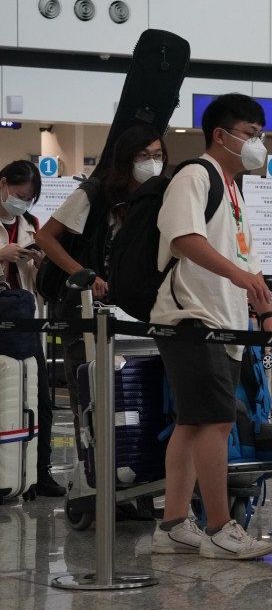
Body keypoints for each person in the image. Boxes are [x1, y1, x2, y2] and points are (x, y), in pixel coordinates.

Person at [149, 93, 272, 560]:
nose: (257, 144)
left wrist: (265, 310)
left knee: (192, 422)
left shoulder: (232, 186)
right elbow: (183, 239)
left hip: (224, 321)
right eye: (250, 134)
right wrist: (237, 275)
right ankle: (222, 528)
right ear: (221, 136)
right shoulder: (195, 175)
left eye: (260, 135)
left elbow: (248, 259)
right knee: (219, 420)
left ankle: (171, 525)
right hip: (192, 317)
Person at [35, 125, 170, 443]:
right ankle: (92, 471)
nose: (152, 162)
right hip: (84, 309)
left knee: (135, 397)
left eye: (158, 155)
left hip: (132, 311)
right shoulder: (96, 192)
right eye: (143, 155)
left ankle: (132, 470)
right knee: (91, 395)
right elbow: (45, 236)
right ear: (126, 158)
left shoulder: (155, 196)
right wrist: (83, 274)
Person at [0, 160, 63, 496]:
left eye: (29, 198)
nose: (22, 203)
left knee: (39, 399)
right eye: (20, 195)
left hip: (26, 323)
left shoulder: (31, 224)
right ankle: (5, 473)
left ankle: (40, 471)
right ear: (4, 183)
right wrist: (1, 255)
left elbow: (40, 288)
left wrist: (40, 266)